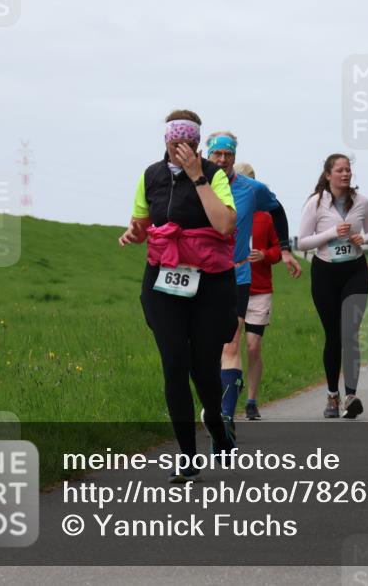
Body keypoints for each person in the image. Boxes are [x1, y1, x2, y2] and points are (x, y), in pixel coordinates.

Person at [120, 109, 238, 483]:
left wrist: (196, 176)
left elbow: (224, 224)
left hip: (209, 283)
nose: (180, 150)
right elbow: (142, 224)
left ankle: (218, 429)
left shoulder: (214, 175)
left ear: (197, 143)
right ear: (166, 142)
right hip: (163, 281)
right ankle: (188, 457)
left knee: (202, 370)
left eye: (187, 144)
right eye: (174, 144)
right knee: (174, 363)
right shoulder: (150, 176)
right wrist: (134, 234)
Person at [206, 132, 302, 438]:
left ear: (235, 156)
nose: (221, 161)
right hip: (201, 275)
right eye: (216, 155)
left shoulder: (252, 188)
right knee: (204, 350)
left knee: (232, 344)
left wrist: (284, 249)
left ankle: (225, 417)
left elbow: (277, 209)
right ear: (207, 155)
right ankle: (213, 405)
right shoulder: (196, 186)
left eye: (227, 155)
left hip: (237, 275)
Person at [297, 154, 368, 419]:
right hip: (325, 273)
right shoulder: (316, 203)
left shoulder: (362, 201)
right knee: (333, 336)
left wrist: (362, 238)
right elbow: (303, 242)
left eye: (348, 170)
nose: (345, 174)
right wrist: (332, 234)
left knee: (350, 333)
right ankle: (333, 396)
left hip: (354, 271)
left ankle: (352, 395)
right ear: (328, 174)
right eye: (340, 170)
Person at [233, 163, 281, 421]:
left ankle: (251, 400)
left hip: (259, 289)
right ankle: (232, 386)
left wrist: (265, 254)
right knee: (231, 344)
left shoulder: (265, 217)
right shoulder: (227, 213)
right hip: (233, 287)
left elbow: (277, 250)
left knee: (253, 347)